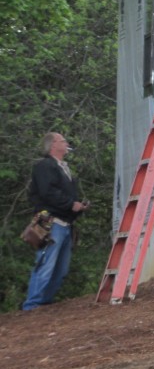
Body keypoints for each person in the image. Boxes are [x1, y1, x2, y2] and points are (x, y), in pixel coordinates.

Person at [23, 132, 89, 311]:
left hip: (66, 224)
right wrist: (70, 204)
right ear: (53, 145)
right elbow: (47, 192)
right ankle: (32, 305)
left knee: (61, 269)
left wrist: (77, 206)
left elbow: (59, 193)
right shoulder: (45, 166)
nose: (67, 143)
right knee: (45, 264)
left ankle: (44, 303)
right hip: (52, 223)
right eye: (63, 140)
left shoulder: (62, 167)